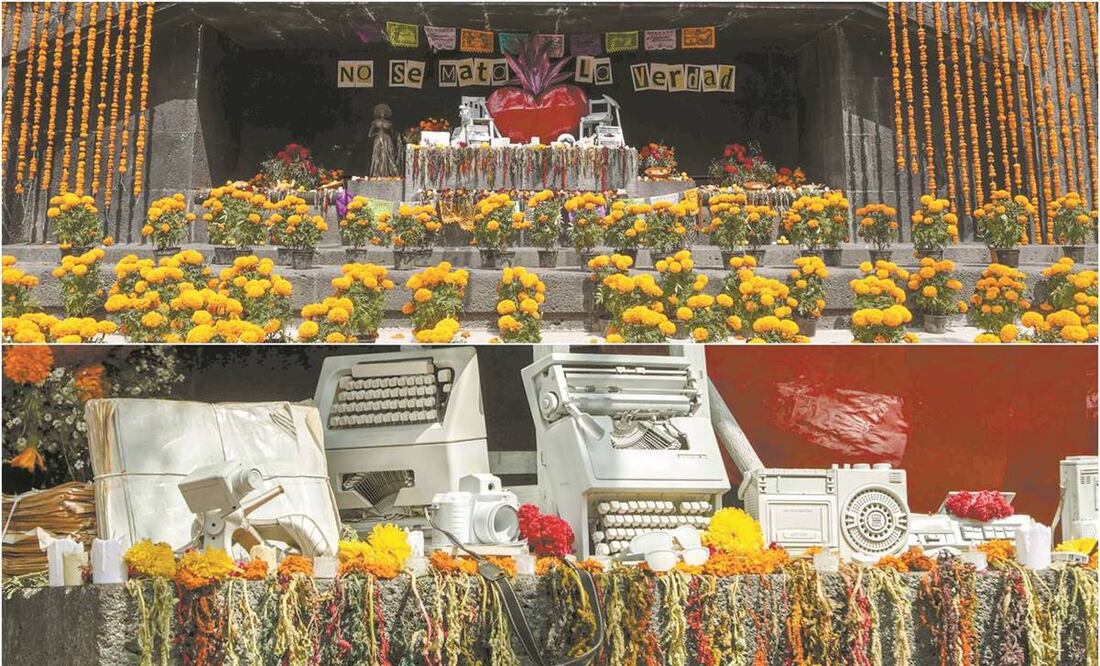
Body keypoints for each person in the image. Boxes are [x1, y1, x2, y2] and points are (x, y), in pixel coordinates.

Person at [369, 103, 400, 177]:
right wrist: (376, 134)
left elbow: (392, 134)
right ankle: (377, 173)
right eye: (381, 111)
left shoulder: (389, 123)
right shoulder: (375, 122)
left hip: (387, 140)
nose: (382, 113)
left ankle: (387, 172)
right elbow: (370, 134)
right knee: (378, 156)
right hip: (378, 140)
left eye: (384, 112)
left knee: (387, 155)